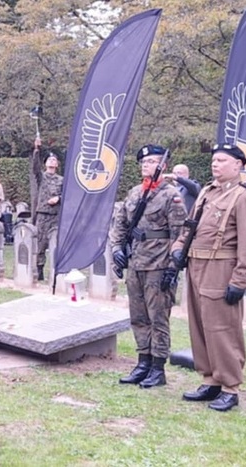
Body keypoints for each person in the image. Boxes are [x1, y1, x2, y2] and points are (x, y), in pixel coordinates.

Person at [172, 143, 246, 412]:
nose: (215, 164)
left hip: (221, 269)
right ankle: (210, 379)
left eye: (222, 160)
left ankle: (229, 387)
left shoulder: (243, 197)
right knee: (199, 326)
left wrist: (241, 279)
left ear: (238, 165)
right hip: (196, 265)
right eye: (214, 160)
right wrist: (177, 248)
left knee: (222, 329)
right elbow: (190, 226)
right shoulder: (205, 194)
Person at [110, 144, 186, 389]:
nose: (146, 165)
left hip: (159, 263)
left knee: (158, 318)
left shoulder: (170, 194)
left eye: (151, 161)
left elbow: (180, 232)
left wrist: (174, 266)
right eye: (143, 162)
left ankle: (157, 367)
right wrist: (117, 249)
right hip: (136, 262)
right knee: (138, 316)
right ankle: (142, 362)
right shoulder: (134, 193)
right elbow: (120, 224)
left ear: (162, 166)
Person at [33, 137, 63, 281]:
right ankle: (39, 271)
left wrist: (59, 198)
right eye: (49, 160)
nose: (52, 162)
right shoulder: (42, 177)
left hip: (55, 215)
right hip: (43, 215)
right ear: (45, 163)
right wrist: (37, 150)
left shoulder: (61, 180)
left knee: (56, 243)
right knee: (40, 244)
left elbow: (68, 195)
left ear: (57, 164)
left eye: (54, 160)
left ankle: (56, 270)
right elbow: (35, 168)